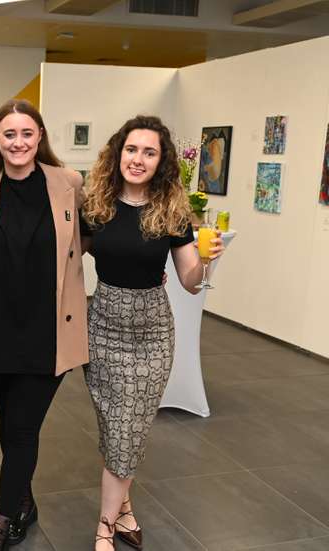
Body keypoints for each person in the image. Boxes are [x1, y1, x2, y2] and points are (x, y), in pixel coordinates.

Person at [80, 115, 224, 550]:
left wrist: (209, 259)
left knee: (129, 426)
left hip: (151, 334)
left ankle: (104, 527)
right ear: (117, 152)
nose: (137, 159)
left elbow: (189, 281)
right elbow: (68, 259)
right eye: (131, 149)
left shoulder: (172, 211)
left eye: (149, 152)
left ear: (160, 162)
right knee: (115, 426)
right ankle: (124, 510)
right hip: (102, 326)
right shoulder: (96, 205)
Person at [0, 99, 89, 551]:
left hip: (49, 333)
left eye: (27, 133)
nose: (18, 142)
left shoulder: (69, 184)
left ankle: (1, 523)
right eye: (9, 134)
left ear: (40, 137)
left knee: (22, 429)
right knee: (9, 427)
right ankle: (24, 502)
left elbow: (98, 234)